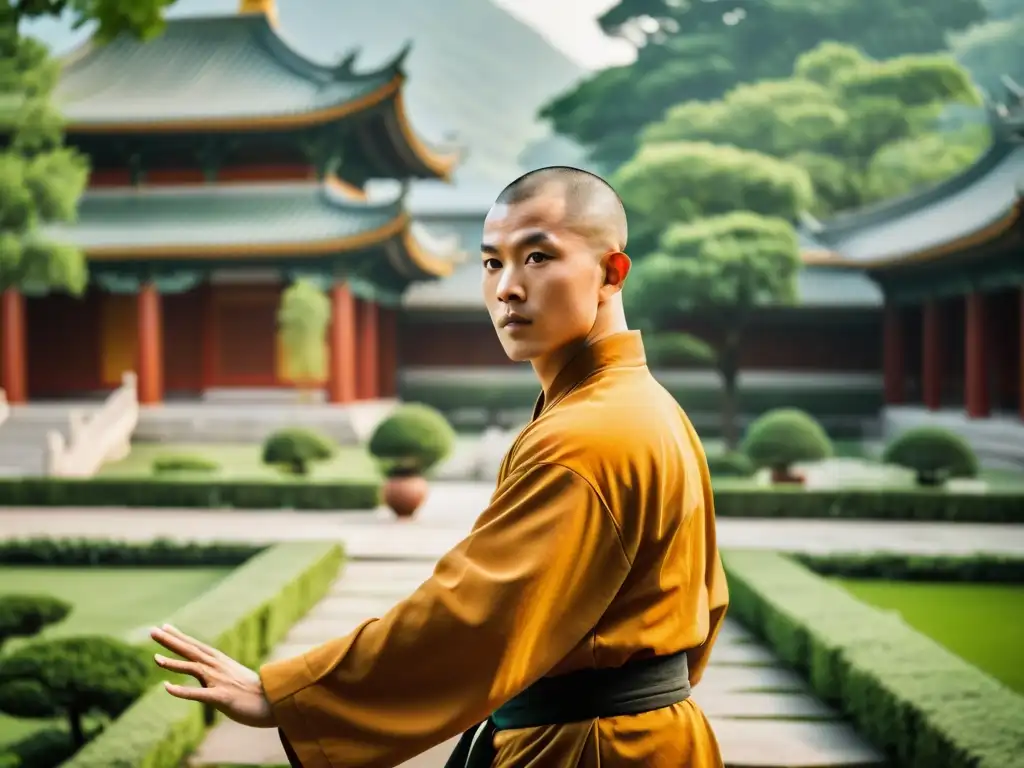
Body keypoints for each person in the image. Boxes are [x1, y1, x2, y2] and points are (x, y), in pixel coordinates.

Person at [150, 166, 730, 767]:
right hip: (644, 737)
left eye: (536, 258)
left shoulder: (587, 436)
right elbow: (709, 604)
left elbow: (474, 618)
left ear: (611, 273)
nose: (507, 287)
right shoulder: (648, 406)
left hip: (590, 748)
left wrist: (291, 695)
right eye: (490, 263)